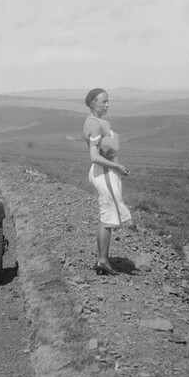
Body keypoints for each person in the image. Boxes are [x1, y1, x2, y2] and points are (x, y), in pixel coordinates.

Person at [83, 88, 133, 276]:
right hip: (103, 172)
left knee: (107, 214)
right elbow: (95, 157)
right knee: (108, 217)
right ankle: (103, 260)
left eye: (107, 101)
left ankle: (102, 259)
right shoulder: (93, 124)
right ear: (93, 103)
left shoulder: (96, 122)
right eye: (103, 101)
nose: (107, 105)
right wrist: (117, 167)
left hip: (106, 171)